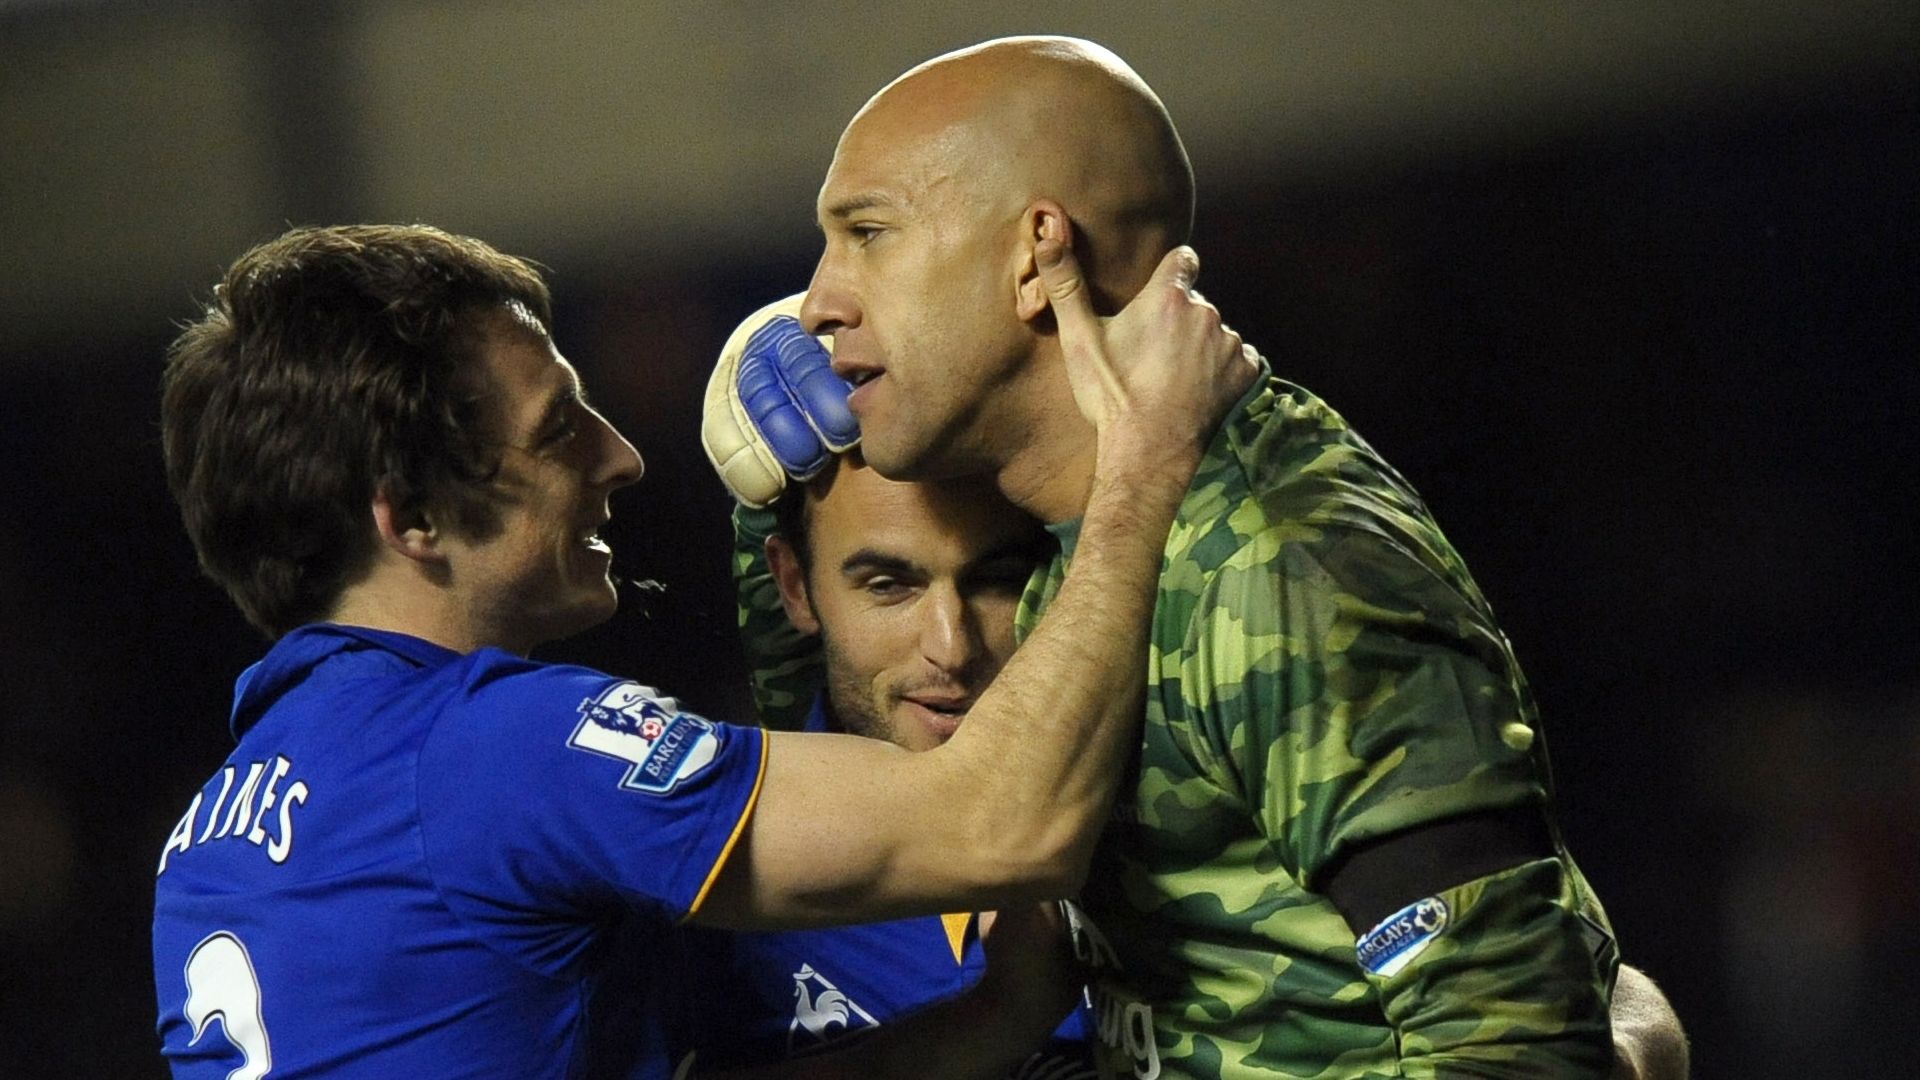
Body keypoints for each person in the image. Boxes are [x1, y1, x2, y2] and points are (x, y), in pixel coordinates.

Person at [708, 37, 1687, 1078]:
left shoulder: (1280, 558)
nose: (817, 302)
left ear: (1035, 255)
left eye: (867, 234)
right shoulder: (1071, 548)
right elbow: (824, 661)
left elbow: (1516, 1047)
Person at [150, 222, 1257, 1079]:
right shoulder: (496, 751)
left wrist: (989, 1025)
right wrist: (1144, 463)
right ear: (413, 520)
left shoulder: (208, 844)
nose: (621, 457)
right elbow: (1009, 821)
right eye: (558, 428)